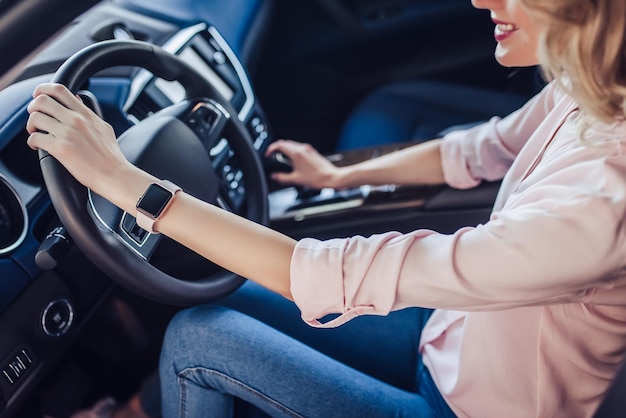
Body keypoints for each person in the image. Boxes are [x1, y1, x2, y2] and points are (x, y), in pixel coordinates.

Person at [26, 0, 626, 416]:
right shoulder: (590, 86)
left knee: (197, 342)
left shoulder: (599, 213)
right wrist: (338, 175)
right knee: (223, 289)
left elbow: (326, 273)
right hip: (452, 336)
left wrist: (124, 182)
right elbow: (481, 149)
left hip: (468, 408)